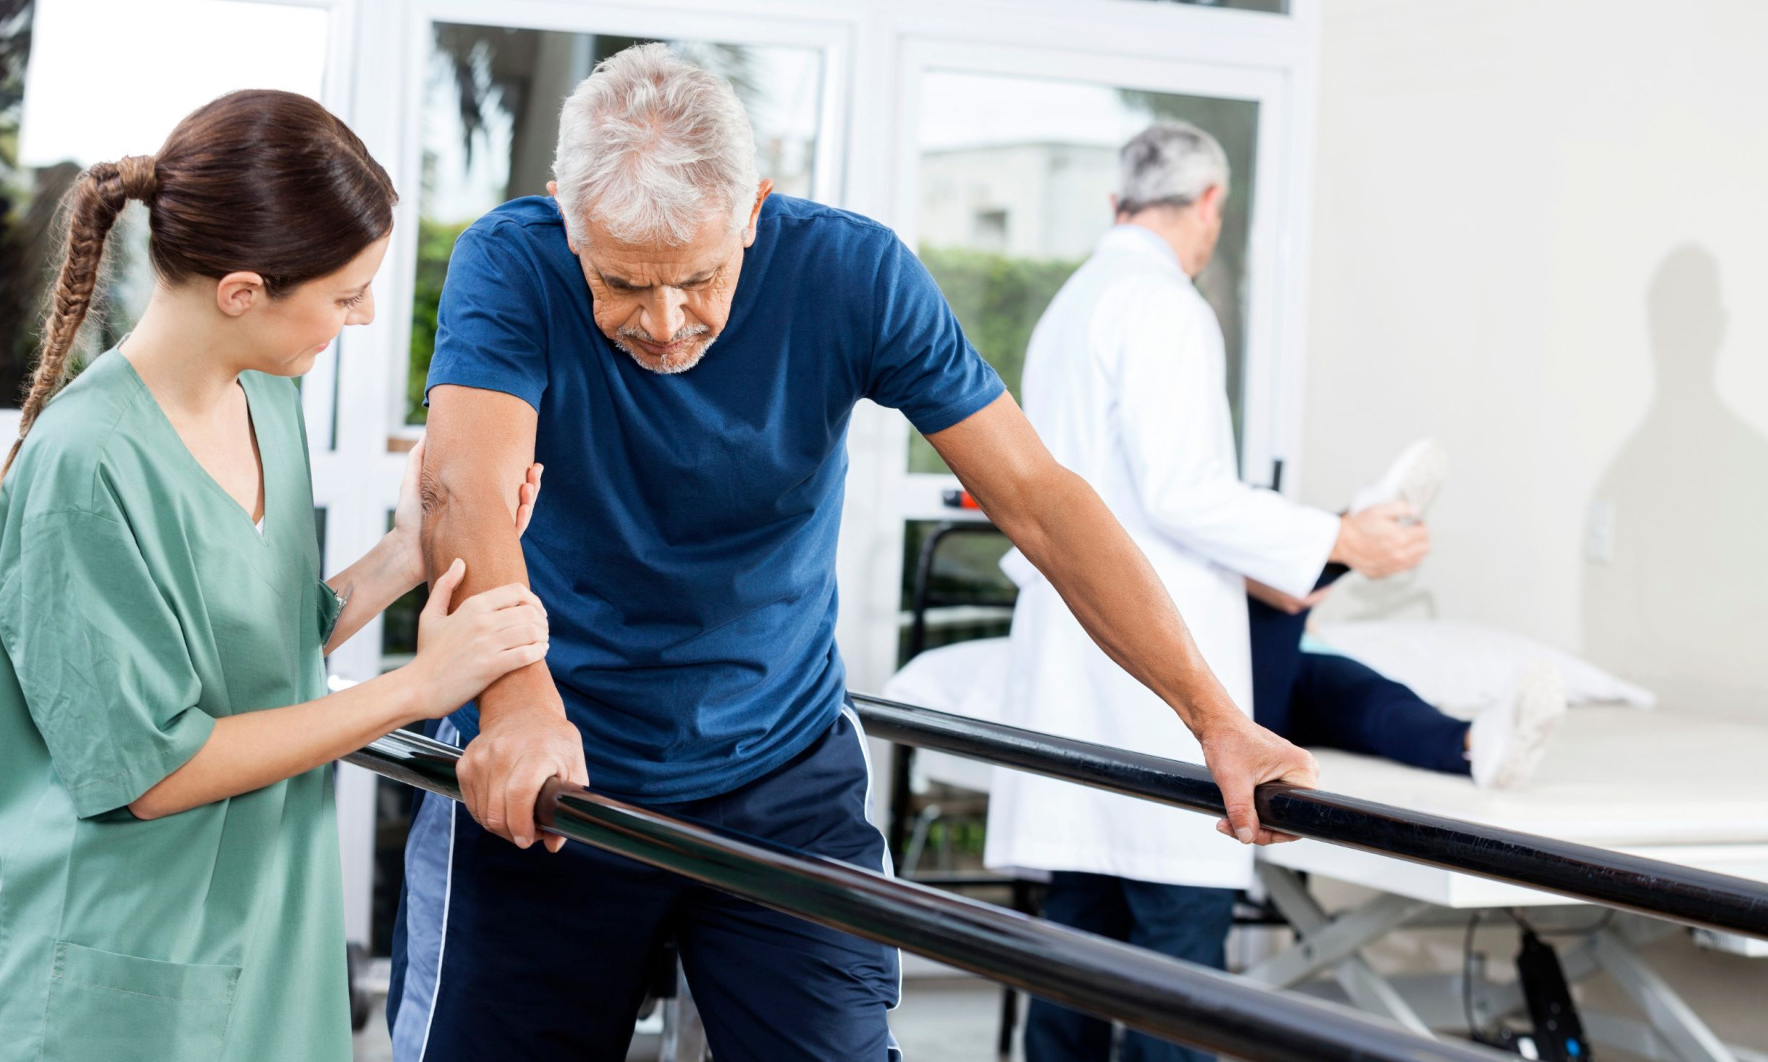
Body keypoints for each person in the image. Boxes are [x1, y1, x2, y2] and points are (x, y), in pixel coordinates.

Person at [389, 45, 1316, 1062]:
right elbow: (463, 486)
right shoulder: (511, 260)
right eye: (620, 284)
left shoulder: (849, 273)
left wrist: (1215, 718)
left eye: (699, 280)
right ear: (565, 212)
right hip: (547, 775)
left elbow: (1040, 502)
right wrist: (518, 701)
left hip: (776, 780)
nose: (662, 325)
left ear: (753, 211)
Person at [0, 90, 548, 1062]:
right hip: (120, 974)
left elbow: (256, 645)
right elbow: (154, 768)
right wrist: (418, 688)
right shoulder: (85, 466)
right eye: (345, 294)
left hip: (271, 938)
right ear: (241, 290)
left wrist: (407, 551)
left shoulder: (267, 399)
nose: (361, 319)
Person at [982, 120, 1559, 1062]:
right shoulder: (1164, 305)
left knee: (1075, 949)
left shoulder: (1075, 303)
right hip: (1150, 677)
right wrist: (1337, 538)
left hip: (1086, 666)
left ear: (1119, 199)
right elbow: (1182, 493)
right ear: (1210, 203)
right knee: (1176, 961)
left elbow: (1116, 497)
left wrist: (1303, 557)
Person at [1247, 444, 1568, 792]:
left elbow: (1297, 596)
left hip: (1299, 669)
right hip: (1245, 689)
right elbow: (1290, 598)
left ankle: (1475, 744)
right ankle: (1355, 527)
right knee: (1283, 599)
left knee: (1375, 701)